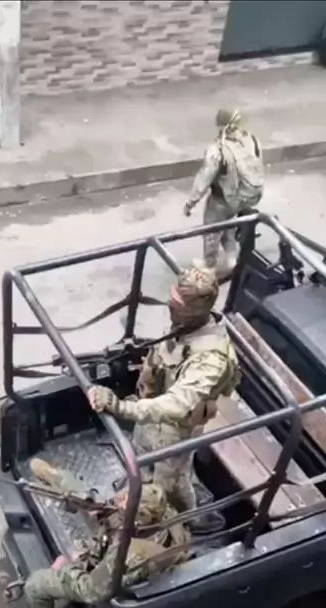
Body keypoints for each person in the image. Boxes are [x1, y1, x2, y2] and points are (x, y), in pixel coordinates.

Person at [88, 266, 239, 515]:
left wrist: (120, 407)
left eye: (177, 304)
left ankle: (180, 522)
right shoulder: (184, 327)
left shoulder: (211, 358)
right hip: (150, 412)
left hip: (175, 429)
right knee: (141, 458)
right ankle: (138, 490)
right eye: (172, 299)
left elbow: (177, 405)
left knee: (170, 487)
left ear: (194, 311)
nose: (170, 306)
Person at [12, 461, 190, 608]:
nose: (121, 500)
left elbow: (93, 590)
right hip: (121, 540)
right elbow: (110, 508)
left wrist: (67, 570)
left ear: (135, 519)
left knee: (35, 585)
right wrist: (95, 506)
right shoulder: (159, 511)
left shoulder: (128, 555)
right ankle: (54, 475)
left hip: (111, 576)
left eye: (126, 503)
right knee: (87, 499)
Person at [183, 108, 264, 272]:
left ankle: (209, 264)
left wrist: (190, 203)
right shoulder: (253, 141)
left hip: (225, 199)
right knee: (229, 222)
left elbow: (204, 179)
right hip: (247, 196)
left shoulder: (217, 150)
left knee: (212, 226)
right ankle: (232, 257)